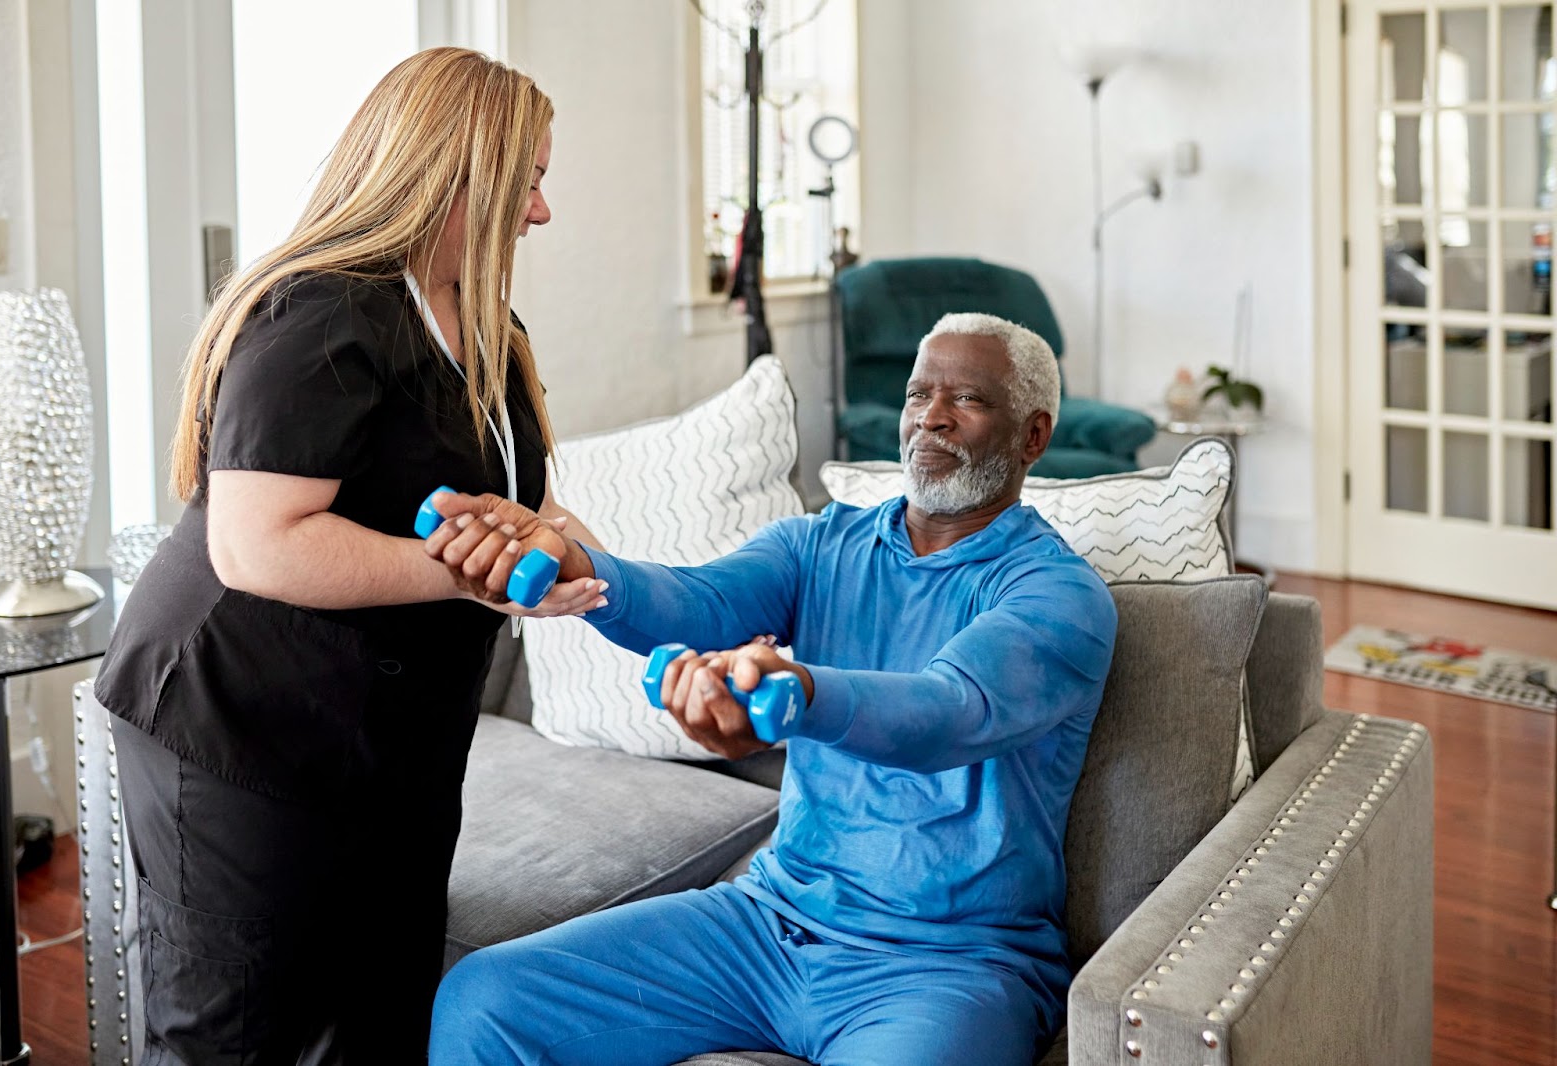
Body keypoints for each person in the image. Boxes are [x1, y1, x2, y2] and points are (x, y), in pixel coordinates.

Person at [424, 313, 1119, 1065]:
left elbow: (947, 711)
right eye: (919, 394)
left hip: (950, 964)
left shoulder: (1060, 596)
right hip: (769, 922)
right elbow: (701, 603)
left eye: (968, 400)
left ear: (1033, 436)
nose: (931, 417)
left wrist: (800, 691)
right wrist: (578, 564)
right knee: (486, 997)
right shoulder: (817, 544)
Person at [94, 48, 604, 1065]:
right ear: (449, 173)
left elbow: (535, 507)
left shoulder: (489, 323)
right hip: (236, 718)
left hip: (397, 732)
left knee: (383, 1009)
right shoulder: (321, 311)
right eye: (528, 180)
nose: (540, 212)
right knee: (235, 1037)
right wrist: (473, 573)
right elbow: (257, 543)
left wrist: (581, 565)